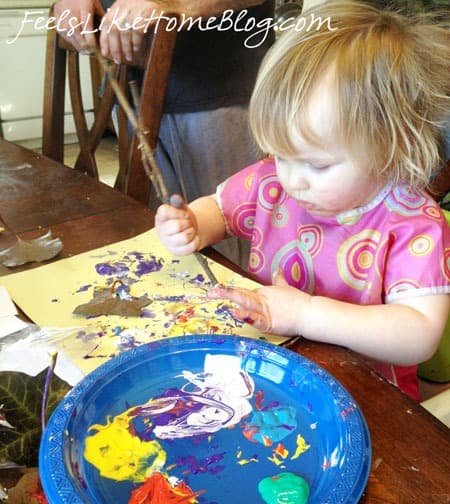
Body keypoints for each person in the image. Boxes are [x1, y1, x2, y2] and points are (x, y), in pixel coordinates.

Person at [155, 0, 450, 401]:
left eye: (317, 164)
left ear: (390, 145)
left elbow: (417, 335)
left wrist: (307, 315)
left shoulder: (413, 226)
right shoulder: (274, 181)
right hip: (272, 377)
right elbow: (218, 212)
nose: (292, 178)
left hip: (368, 399)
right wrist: (191, 226)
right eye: (280, 154)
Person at [53, 0, 276, 267]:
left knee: (227, 256)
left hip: (217, 85)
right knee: (161, 249)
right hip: (128, 81)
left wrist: (171, 3)